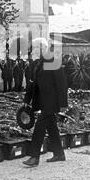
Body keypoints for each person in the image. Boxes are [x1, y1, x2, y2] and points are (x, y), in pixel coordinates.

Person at [22, 38, 68, 167]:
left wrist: (63, 104)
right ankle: (59, 154)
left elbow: (61, 84)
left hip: (51, 101)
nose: (33, 50)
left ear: (43, 48)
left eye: (35, 48)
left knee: (40, 126)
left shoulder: (54, 61)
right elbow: (33, 84)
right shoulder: (38, 63)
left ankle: (34, 156)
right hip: (42, 101)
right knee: (51, 127)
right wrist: (27, 100)